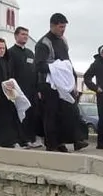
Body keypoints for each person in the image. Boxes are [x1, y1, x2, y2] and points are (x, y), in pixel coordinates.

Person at [34, 13, 88, 152]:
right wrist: (56, 67)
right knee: (51, 115)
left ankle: (72, 140)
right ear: (52, 25)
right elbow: (39, 65)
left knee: (70, 112)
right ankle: (52, 144)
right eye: (61, 27)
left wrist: (73, 80)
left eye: (64, 27)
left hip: (64, 83)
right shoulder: (43, 43)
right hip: (49, 84)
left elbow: (68, 62)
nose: (63, 30)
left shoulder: (63, 41)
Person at [8, 26, 43, 148]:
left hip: (32, 89)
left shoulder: (30, 53)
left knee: (32, 114)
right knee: (20, 115)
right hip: (18, 90)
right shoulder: (11, 52)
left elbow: (35, 71)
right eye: (23, 34)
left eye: (27, 35)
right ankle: (21, 140)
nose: (25, 37)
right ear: (16, 36)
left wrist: (38, 89)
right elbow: (10, 72)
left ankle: (31, 139)